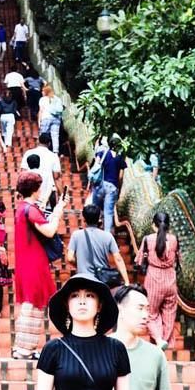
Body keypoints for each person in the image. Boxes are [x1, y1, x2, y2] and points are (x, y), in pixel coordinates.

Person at [12, 171, 65, 360]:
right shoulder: (31, 209)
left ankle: (22, 347)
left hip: (25, 261)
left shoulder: (22, 208)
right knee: (33, 305)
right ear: (35, 189)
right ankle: (25, 349)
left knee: (30, 303)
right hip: (34, 261)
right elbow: (49, 231)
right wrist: (57, 213)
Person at [135, 212, 179, 348]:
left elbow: (138, 260)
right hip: (170, 279)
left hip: (153, 278)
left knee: (151, 312)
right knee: (169, 312)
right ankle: (166, 340)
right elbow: (179, 259)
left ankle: (159, 340)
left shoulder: (148, 239)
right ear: (168, 225)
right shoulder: (174, 239)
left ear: (154, 225)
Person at [67, 203, 128, 286]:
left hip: (83, 279)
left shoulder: (76, 235)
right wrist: (127, 281)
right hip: (101, 281)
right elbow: (118, 259)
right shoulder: (107, 236)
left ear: (84, 219)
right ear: (99, 218)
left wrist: (81, 264)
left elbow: (70, 258)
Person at [93, 136, 127, 234]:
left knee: (95, 208)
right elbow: (120, 177)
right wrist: (119, 189)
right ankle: (107, 236)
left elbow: (96, 165)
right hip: (112, 187)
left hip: (101, 185)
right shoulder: (120, 159)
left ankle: (92, 230)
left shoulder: (102, 153)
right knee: (108, 212)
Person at [21, 132, 62, 209]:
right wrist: (61, 194)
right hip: (47, 193)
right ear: (49, 143)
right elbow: (56, 177)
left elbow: (23, 173)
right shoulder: (53, 156)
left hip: (30, 193)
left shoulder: (28, 153)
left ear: (38, 141)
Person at [38, 84, 64, 154]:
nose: (42, 92)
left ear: (46, 91)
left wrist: (39, 121)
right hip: (56, 119)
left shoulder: (43, 99)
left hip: (46, 118)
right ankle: (56, 151)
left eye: (43, 91)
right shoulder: (57, 99)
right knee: (55, 135)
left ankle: (42, 150)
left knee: (43, 134)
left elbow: (41, 110)